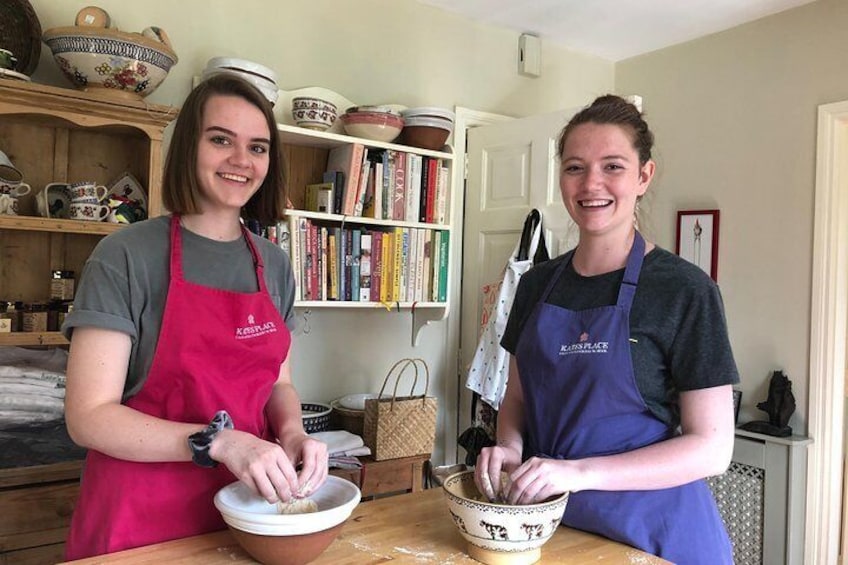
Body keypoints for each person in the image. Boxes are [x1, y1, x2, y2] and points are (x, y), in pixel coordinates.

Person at [62, 73, 328, 559]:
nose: (241, 161)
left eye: (259, 147)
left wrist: (292, 433)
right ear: (188, 147)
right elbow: (88, 417)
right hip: (142, 517)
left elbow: (278, 383)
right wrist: (220, 443)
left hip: (252, 509)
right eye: (220, 139)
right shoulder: (125, 255)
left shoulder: (274, 263)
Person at [475, 95, 738, 564]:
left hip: (654, 536)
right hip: (547, 526)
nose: (591, 183)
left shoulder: (684, 290)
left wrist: (577, 473)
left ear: (643, 177)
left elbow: (712, 449)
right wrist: (509, 447)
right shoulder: (535, 284)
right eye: (575, 167)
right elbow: (516, 399)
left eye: (612, 166)